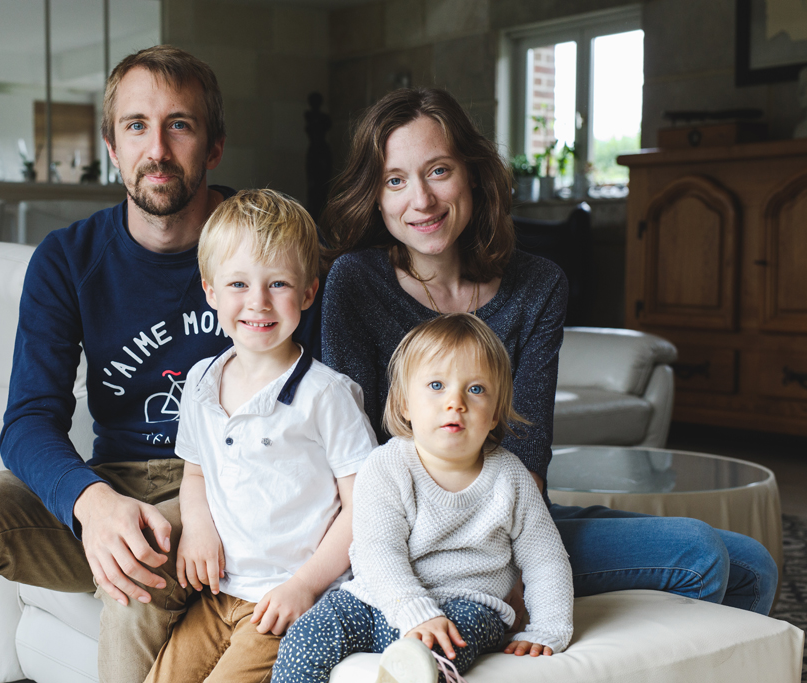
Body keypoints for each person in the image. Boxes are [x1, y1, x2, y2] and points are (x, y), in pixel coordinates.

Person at [0, 46, 314, 683]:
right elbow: (28, 421)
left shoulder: (268, 248)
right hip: (114, 481)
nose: (158, 149)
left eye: (181, 124)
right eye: (137, 126)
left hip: (229, 491)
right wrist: (92, 502)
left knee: (137, 569)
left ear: (215, 146)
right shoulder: (67, 259)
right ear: (113, 148)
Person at [319, 87, 777, 622]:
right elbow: (349, 454)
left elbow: (528, 455)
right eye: (396, 180)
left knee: (755, 565)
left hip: (512, 513)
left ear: (473, 173)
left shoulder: (537, 284)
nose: (420, 200)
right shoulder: (354, 282)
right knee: (700, 553)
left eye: (438, 171)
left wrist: (526, 562)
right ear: (376, 197)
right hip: (415, 542)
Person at [143, 189, 377, 683]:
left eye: (278, 284)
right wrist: (199, 527)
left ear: (309, 293)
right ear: (209, 291)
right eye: (238, 284)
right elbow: (195, 471)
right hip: (217, 597)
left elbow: (366, 508)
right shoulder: (201, 380)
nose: (258, 302)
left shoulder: (326, 395)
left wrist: (305, 587)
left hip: (285, 600)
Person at [273, 313, 573, 683]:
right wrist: (415, 612)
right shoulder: (386, 466)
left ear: (495, 414)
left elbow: (546, 559)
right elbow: (378, 550)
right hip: (376, 600)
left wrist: (548, 629)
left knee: (445, 649)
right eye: (436, 385)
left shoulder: (511, 477)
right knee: (307, 636)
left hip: (468, 605)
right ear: (404, 405)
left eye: (475, 389)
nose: (455, 402)